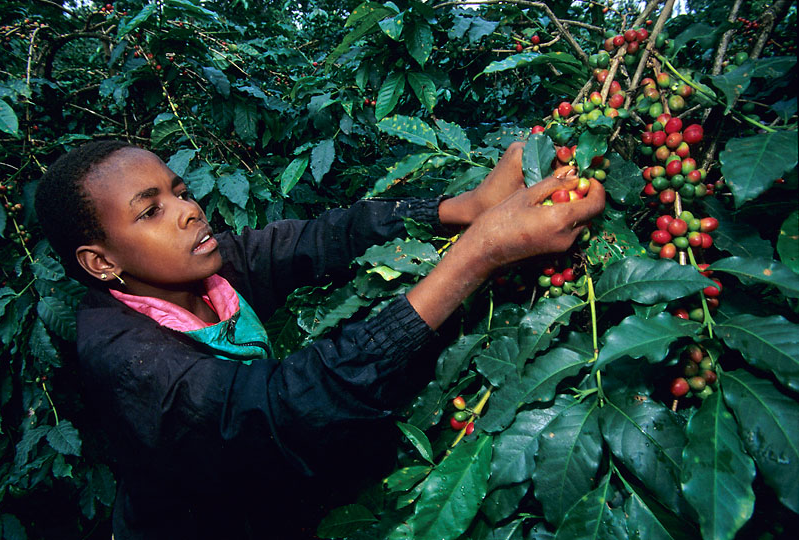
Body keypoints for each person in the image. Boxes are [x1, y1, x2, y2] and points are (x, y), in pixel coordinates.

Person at [34, 139, 604, 539]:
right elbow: (278, 411)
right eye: (151, 210)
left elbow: (317, 238)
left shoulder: (203, 272)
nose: (188, 211)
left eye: (180, 192)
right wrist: (478, 253)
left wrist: (461, 208)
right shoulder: (127, 359)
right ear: (100, 261)